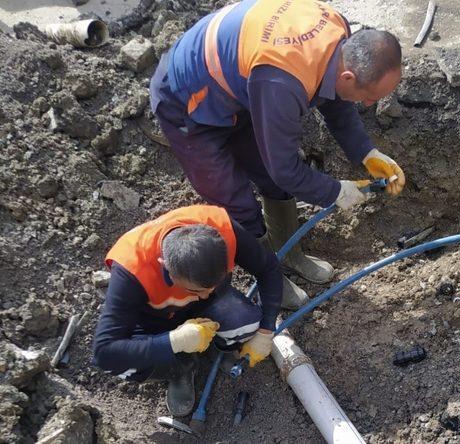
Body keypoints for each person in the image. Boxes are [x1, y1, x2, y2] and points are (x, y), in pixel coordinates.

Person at [150, 0, 406, 309]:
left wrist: (366, 153)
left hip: (241, 89)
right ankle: (270, 277)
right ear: (349, 75)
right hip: (188, 102)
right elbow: (285, 168)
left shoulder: (338, 32)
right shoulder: (282, 80)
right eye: (369, 97)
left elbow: (337, 101)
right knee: (238, 201)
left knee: (274, 181)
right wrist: (336, 191)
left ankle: (289, 253)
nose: (367, 104)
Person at [92, 205, 282, 417]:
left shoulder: (223, 230)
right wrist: (174, 341)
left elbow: (269, 268)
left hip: (201, 310)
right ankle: (182, 367)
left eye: (212, 286)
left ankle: (215, 347)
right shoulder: (132, 268)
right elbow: (104, 353)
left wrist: (267, 329)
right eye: (195, 289)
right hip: (154, 323)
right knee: (124, 365)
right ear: (165, 266)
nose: (204, 294)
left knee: (245, 322)